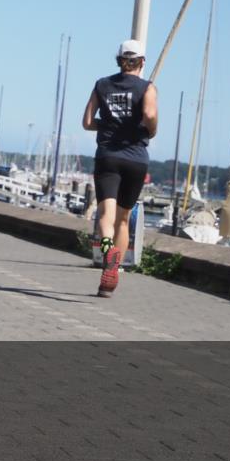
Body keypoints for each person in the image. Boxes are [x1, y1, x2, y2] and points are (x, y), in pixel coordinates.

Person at [82, 39, 158, 297]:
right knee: (123, 220)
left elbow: (87, 122)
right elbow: (149, 115)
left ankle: (108, 251)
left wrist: (106, 125)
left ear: (119, 60)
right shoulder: (147, 88)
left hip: (108, 157)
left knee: (106, 215)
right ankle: (112, 275)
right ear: (142, 62)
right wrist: (151, 130)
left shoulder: (102, 85)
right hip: (136, 159)